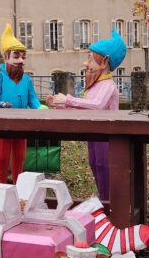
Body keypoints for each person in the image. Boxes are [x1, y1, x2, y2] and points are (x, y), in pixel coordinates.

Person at [48, 30, 126, 202]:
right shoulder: (94, 85)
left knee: (104, 166)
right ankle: (103, 199)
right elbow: (84, 108)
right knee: (95, 164)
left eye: (90, 59)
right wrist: (60, 105)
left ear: (104, 62)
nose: (86, 64)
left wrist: (68, 99)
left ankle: (109, 201)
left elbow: (97, 105)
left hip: (107, 135)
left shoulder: (108, 85)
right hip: (94, 133)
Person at [0, 24, 43, 184]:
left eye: (23, 57)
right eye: (16, 56)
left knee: (20, 157)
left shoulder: (27, 79)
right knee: (2, 157)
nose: (21, 61)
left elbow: (33, 99)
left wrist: (40, 107)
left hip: (22, 125)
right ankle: (0, 187)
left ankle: (18, 186)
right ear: (6, 57)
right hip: (4, 125)